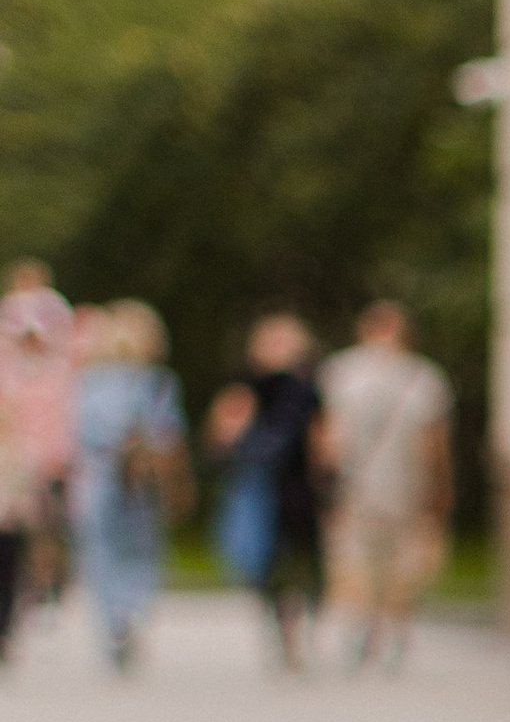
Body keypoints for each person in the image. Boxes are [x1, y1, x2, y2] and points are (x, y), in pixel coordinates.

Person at [318, 297, 451, 670]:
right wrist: (438, 490)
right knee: (392, 563)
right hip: (396, 487)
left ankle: (362, 631)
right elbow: (433, 444)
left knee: (359, 559)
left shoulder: (341, 372)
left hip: (362, 485)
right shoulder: (422, 377)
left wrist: (329, 482)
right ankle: (388, 632)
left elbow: (328, 438)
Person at [72, 299, 189, 676]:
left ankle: (115, 618)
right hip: (135, 478)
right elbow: (169, 433)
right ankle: (130, 610)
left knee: (104, 551)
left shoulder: (91, 381)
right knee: (140, 549)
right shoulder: (158, 383)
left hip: (103, 476)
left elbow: (81, 433)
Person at [207, 314, 327, 669]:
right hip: (270, 488)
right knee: (278, 561)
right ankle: (288, 627)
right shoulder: (257, 389)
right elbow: (222, 435)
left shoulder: (296, 389)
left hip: (290, 485)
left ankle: (292, 624)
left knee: (293, 559)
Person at [0, 265, 78, 636]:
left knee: (48, 533)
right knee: (15, 534)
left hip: (50, 461)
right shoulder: (7, 366)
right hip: (12, 463)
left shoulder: (59, 368)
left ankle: (47, 596)